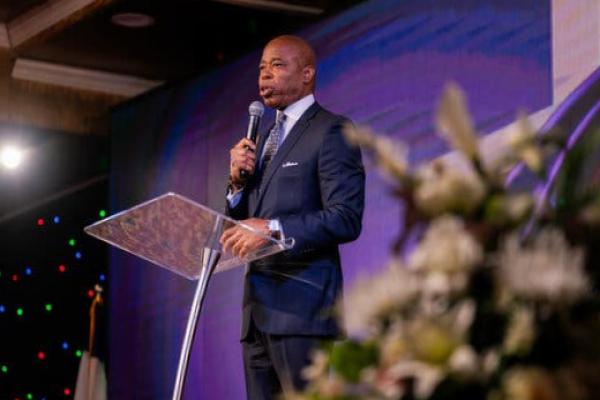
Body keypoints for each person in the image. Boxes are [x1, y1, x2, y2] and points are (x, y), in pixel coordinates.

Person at [220, 35, 365, 399]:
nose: (264, 75)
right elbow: (243, 222)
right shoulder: (265, 138)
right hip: (256, 315)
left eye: (277, 65)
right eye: (261, 68)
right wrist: (236, 184)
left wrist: (271, 229)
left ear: (307, 74)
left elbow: (346, 217)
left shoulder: (331, 131)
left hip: (303, 312)